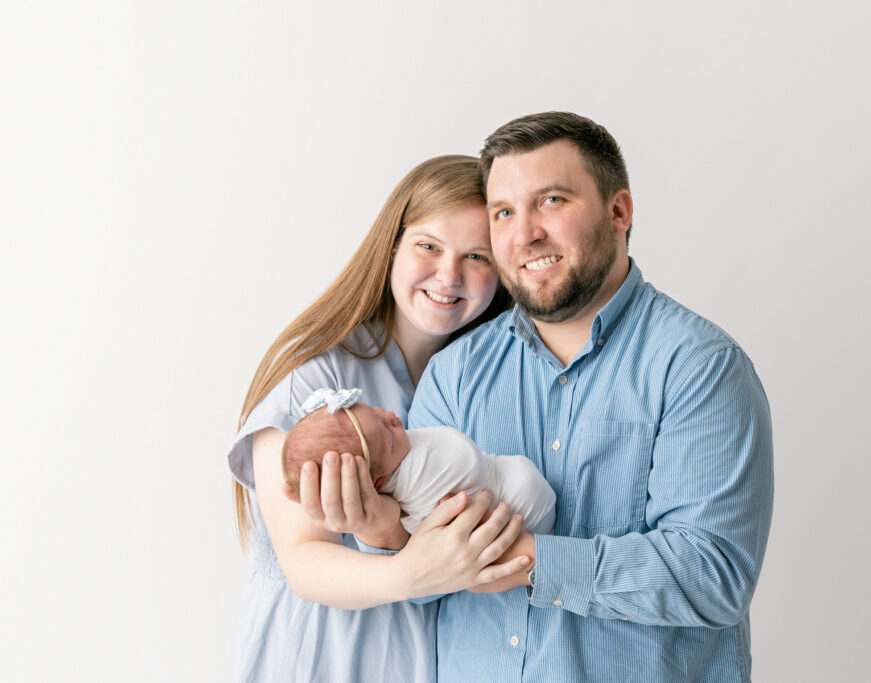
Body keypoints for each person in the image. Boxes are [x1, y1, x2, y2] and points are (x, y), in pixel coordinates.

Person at [313, 113, 771, 681]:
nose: (524, 232)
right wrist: (383, 533)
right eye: (504, 211)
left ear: (619, 212)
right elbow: (420, 584)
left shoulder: (698, 367)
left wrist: (533, 561)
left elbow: (712, 578)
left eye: (551, 201)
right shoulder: (455, 373)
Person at [226, 155, 532, 682]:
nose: (448, 275)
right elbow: (303, 558)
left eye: (476, 256)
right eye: (428, 246)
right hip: (319, 655)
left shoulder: (487, 385)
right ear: (392, 246)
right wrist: (410, 573)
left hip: (426, 658)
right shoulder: (317, 379)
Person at [281, 387, 556, 534]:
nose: (392, 418)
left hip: (508, 477)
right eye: (388, 436)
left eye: (376, 411)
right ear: (378, 482)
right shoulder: (402, 490)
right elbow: (411, 526)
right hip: (517, 507)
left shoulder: (396, 456)